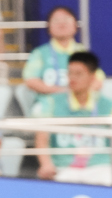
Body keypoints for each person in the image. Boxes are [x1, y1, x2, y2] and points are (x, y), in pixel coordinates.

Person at [34, 51, 112, 185]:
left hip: (100, 167)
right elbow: (42, 137)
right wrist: (46, 164)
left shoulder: (107, 104)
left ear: (92, 77)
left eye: (79, 74)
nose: (72, 78)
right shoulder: (51, 103)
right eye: (70, 73)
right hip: (64, 167)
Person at [23, 5, 93, 97]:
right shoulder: (39, 53)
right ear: (48, 28)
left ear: (75, 26)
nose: (62, 23)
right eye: (56, 20)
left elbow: (97, 79)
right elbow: (30, 80)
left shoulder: (83, 52)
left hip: (78, 106)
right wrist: (60, 92)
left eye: (66, 19)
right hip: (48, 106)